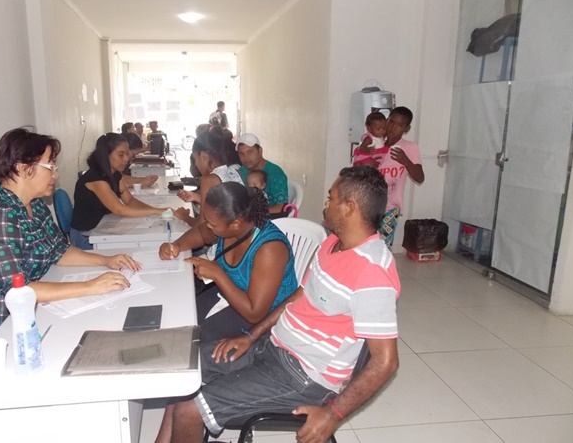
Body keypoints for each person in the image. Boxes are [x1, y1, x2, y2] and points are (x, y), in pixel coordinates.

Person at [155, 165, 400, 443]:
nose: (326, 204)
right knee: (183, 369)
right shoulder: (333, 243)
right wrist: (251, 336)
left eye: (331, 198)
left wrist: (333, 414)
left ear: (350, 207)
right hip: (272, 346)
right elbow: (298, 296)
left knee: (190, 409)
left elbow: (386, 362)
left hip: (304, 377)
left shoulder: (372, 270)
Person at [0, 127, 139, 346]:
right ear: (23, 168)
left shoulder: (35, 206)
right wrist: (91, 286)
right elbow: (18, 291)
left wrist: (106, 260)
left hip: (31, 319)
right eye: (50, 167)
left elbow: (60, 252)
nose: (55, 174)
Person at [159, 182, 297, 342]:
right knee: (181, 316)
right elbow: (201, 233)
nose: (208, 226)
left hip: (265, 316)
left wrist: (217, 274)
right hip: (231, 293)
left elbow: (255, 313)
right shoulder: (227, 228)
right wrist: (176, 245)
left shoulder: (270, 249)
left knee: (197, 338)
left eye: (212, 224)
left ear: (235, 224)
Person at [70, 133, 167, 249]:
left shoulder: (115, 174)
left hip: (101, 225)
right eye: (121, 155)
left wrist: (154, 211)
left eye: (127, 154)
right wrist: (157, 211)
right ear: (106, 155)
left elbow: (130, 200)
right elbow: (119, 209)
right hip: (85, 236)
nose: (126, 158)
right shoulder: (96, 179)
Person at [374, 106, 424, 248]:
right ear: (387, 120)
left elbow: (420, 178)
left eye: (400, 125)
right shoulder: (375, 144)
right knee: (370, 243)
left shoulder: (409, 148)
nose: (393, 127)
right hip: (371, 203)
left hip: (391, 206)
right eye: (391, 122)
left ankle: (385, 263)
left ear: (406, 128)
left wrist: (405, 160)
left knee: (383, 245)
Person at [173, 131, 243, 227]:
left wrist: (184, 217)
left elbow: (201, 224)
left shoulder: (208, 180)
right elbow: (226, 206)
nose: (196, 164)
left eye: (195, 159)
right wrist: (197, 197)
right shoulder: (235, 170)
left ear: (203, 156)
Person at [236, 133, 288, 213]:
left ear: (260, 151)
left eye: (250, 152)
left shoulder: (275, 173)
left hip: (269, 218)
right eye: (241, 154)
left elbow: (281, 208)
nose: (246, 157)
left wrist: (256, 213)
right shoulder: (241, 171)